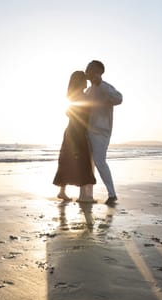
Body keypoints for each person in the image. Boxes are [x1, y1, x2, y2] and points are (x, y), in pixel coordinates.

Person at [53, 71, 96, 202]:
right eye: (84, 79)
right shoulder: (83, 97)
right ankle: (83, 195)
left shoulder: (71, 96)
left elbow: (68, 112)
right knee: (82, 161)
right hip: (78, 132)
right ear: (80, 81)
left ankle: (62, 192)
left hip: (70, 130)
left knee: (66, 160)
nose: (87, 82)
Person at [85, 60, 123, 205]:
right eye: (87, 68)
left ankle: (112, 194)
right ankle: (88, 195)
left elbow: (119, 99)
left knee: (100, 161)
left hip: (101, 132)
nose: (87, 70)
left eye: (90, 69)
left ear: (98, 72)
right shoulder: (88, 91)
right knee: (89, 163)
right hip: (87, 130)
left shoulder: (105, 87)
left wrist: (100, 83)